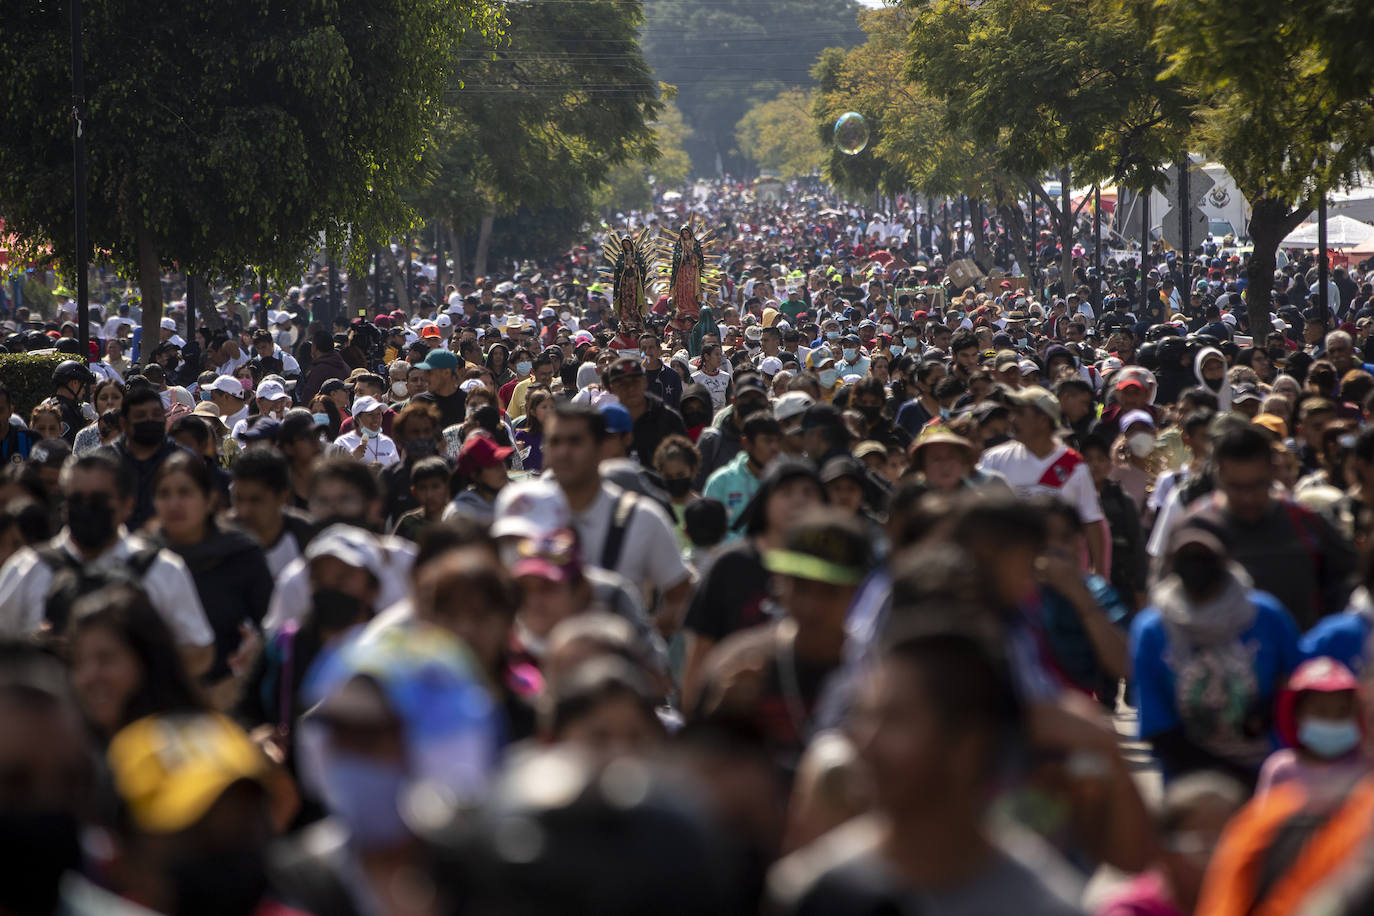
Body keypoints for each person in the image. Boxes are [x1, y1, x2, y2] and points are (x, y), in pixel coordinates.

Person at [771, 622, 1082, 916]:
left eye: (895, 720)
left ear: (967, 748)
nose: (867, 743)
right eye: (867, 716)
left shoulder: (1048, 906)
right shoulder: (814, 895)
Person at [0, 450, 214, 675]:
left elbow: (200, 652)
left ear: (127, 504)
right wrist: (33, 651)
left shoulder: (162, 569)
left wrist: (140, 654)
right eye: (77, 499)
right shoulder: (28, 568)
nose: (87, 508)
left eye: (99, 499)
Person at [695, 510, 872, 770]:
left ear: (858, 591)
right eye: (800, 586)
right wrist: (721, 715)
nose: (812, 606)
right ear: (779, 583)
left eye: (830, 591)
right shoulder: (736, 663)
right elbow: (693, 775)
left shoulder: (876, 677)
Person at [1131, 521, 1302, 786]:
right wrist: (1227, 775)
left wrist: (1268, 713)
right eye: (1185, 558)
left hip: (1270, 779)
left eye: (1204, 557)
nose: (1195, 566)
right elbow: (1157, 727)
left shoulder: (1267, 616)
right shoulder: (1152, 629)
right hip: (1190, 787)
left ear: (1226, 559)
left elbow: (1299, 687)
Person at [1186, 424, 1355, 631]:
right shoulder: (1196, 529)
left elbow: (1348, 583)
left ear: (1272, 471)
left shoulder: (1306, 523)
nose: (1247, 498)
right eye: (1236, 487)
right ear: (1219, 475)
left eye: (1257, 485)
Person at [545, 402, 692, 634]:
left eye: (575, 441)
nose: (563, 452)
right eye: (555, 442)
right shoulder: (524, 516)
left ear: (600, 448)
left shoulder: (643, 518)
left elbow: (682, 596)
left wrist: (640, 640)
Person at [152, 450, 273, 694]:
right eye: (165, 494)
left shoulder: (241, 553)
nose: (174, 503)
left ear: (209, 500)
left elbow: (270, 623)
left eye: (185, 492)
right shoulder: (144, 557)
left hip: (233, 691)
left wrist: (257, 647)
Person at [978, 385, 1106, 574]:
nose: (1012, 420)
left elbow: (1092, 522)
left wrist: (1100, 575)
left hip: (1061, 574)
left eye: (1020, 413)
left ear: (1043, 420)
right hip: (1009, 574)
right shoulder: (993, 459)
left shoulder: (1074, 466)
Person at [65, 584, 206, 741]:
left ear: (146, 659)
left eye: (106, 659)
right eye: (78, 662)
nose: (88, 676)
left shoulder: (193, 748)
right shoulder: (82, 757)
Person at [1095, 773, 1245, 916]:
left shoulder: (1246, 905)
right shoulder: (1131, 912)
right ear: (1163, 851)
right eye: (1205, 848)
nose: (1221, 863)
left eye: (1234, 848)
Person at [1254, 656, 1369, 798]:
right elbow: (1263, 818)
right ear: (1297, 715)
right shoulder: (1281, 769)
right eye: (1321, 711)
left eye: (1343, 710)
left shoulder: (1365, 767)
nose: (1332, 720)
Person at [229, 445, 314, 577]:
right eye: (238, 499)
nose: (244, 511)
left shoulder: (308, 538)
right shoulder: (220, 539)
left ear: (282, 497)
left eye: (255, 500)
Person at [112, 385, 181, 530]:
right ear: (124, 423)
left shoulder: (183, 460)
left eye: (156, 414)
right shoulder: (106, 462)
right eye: (140, 416)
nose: (150, 420)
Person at [703, 410, 782, 532]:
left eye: (777, 441)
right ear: (746, 443)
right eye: (767, 440)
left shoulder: (786, 482)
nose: (775, 448)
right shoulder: (721, 481)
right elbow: (708, 532)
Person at [605, 356, 687, 466]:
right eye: (622, 384)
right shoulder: (607, 423)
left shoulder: (668, 419)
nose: (630, 389)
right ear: (612, 388)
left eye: (635, 382)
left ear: (644, 381)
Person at [446, 431, 512, 525]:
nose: (501, 468)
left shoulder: (512, 502)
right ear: (475, 475)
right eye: (491, 465)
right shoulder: (460, 513)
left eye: (500, 461)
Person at [392, 456, 452, 543]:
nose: (429, 495)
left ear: (447, 488)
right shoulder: (408, 523)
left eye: (435, 487)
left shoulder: (456, 521)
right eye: (423, 488)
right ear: (414, 492)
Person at [328, 395, 399, 468]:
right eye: (370, 415)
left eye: (378, 414)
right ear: (357, 418)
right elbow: (334, 474)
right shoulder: (342, 443)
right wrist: (353, 458)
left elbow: (397, 473)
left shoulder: (388, 443)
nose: (376, 419)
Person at [50, 359, 94, 444]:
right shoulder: (63, 411)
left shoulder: (59, 406)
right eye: (83, 386)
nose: (84, 391)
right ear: (74, 383)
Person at [515, 386, 552, 471]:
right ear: (533, 412)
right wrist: (517, 453)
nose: (549, 411)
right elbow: (516, 469)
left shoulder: (559, 436)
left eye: (552, 407)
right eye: (544, 407)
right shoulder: (523, 436)